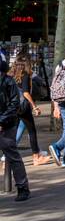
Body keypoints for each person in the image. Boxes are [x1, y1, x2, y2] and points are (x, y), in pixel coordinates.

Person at [11, 50, 50, 165]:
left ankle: (7, 158)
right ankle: (36, 157)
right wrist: (34, 106)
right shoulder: (25, 75)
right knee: (32, 131)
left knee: (13, 132)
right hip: (23, 107)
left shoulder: (11, 75)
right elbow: (26, 93)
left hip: (13, 107)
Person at [0, 56, 30, 200]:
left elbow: (14, 104)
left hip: (7, 124)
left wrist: (1, 122)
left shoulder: (8, 82)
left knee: (12, 155)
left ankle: (23, 187)